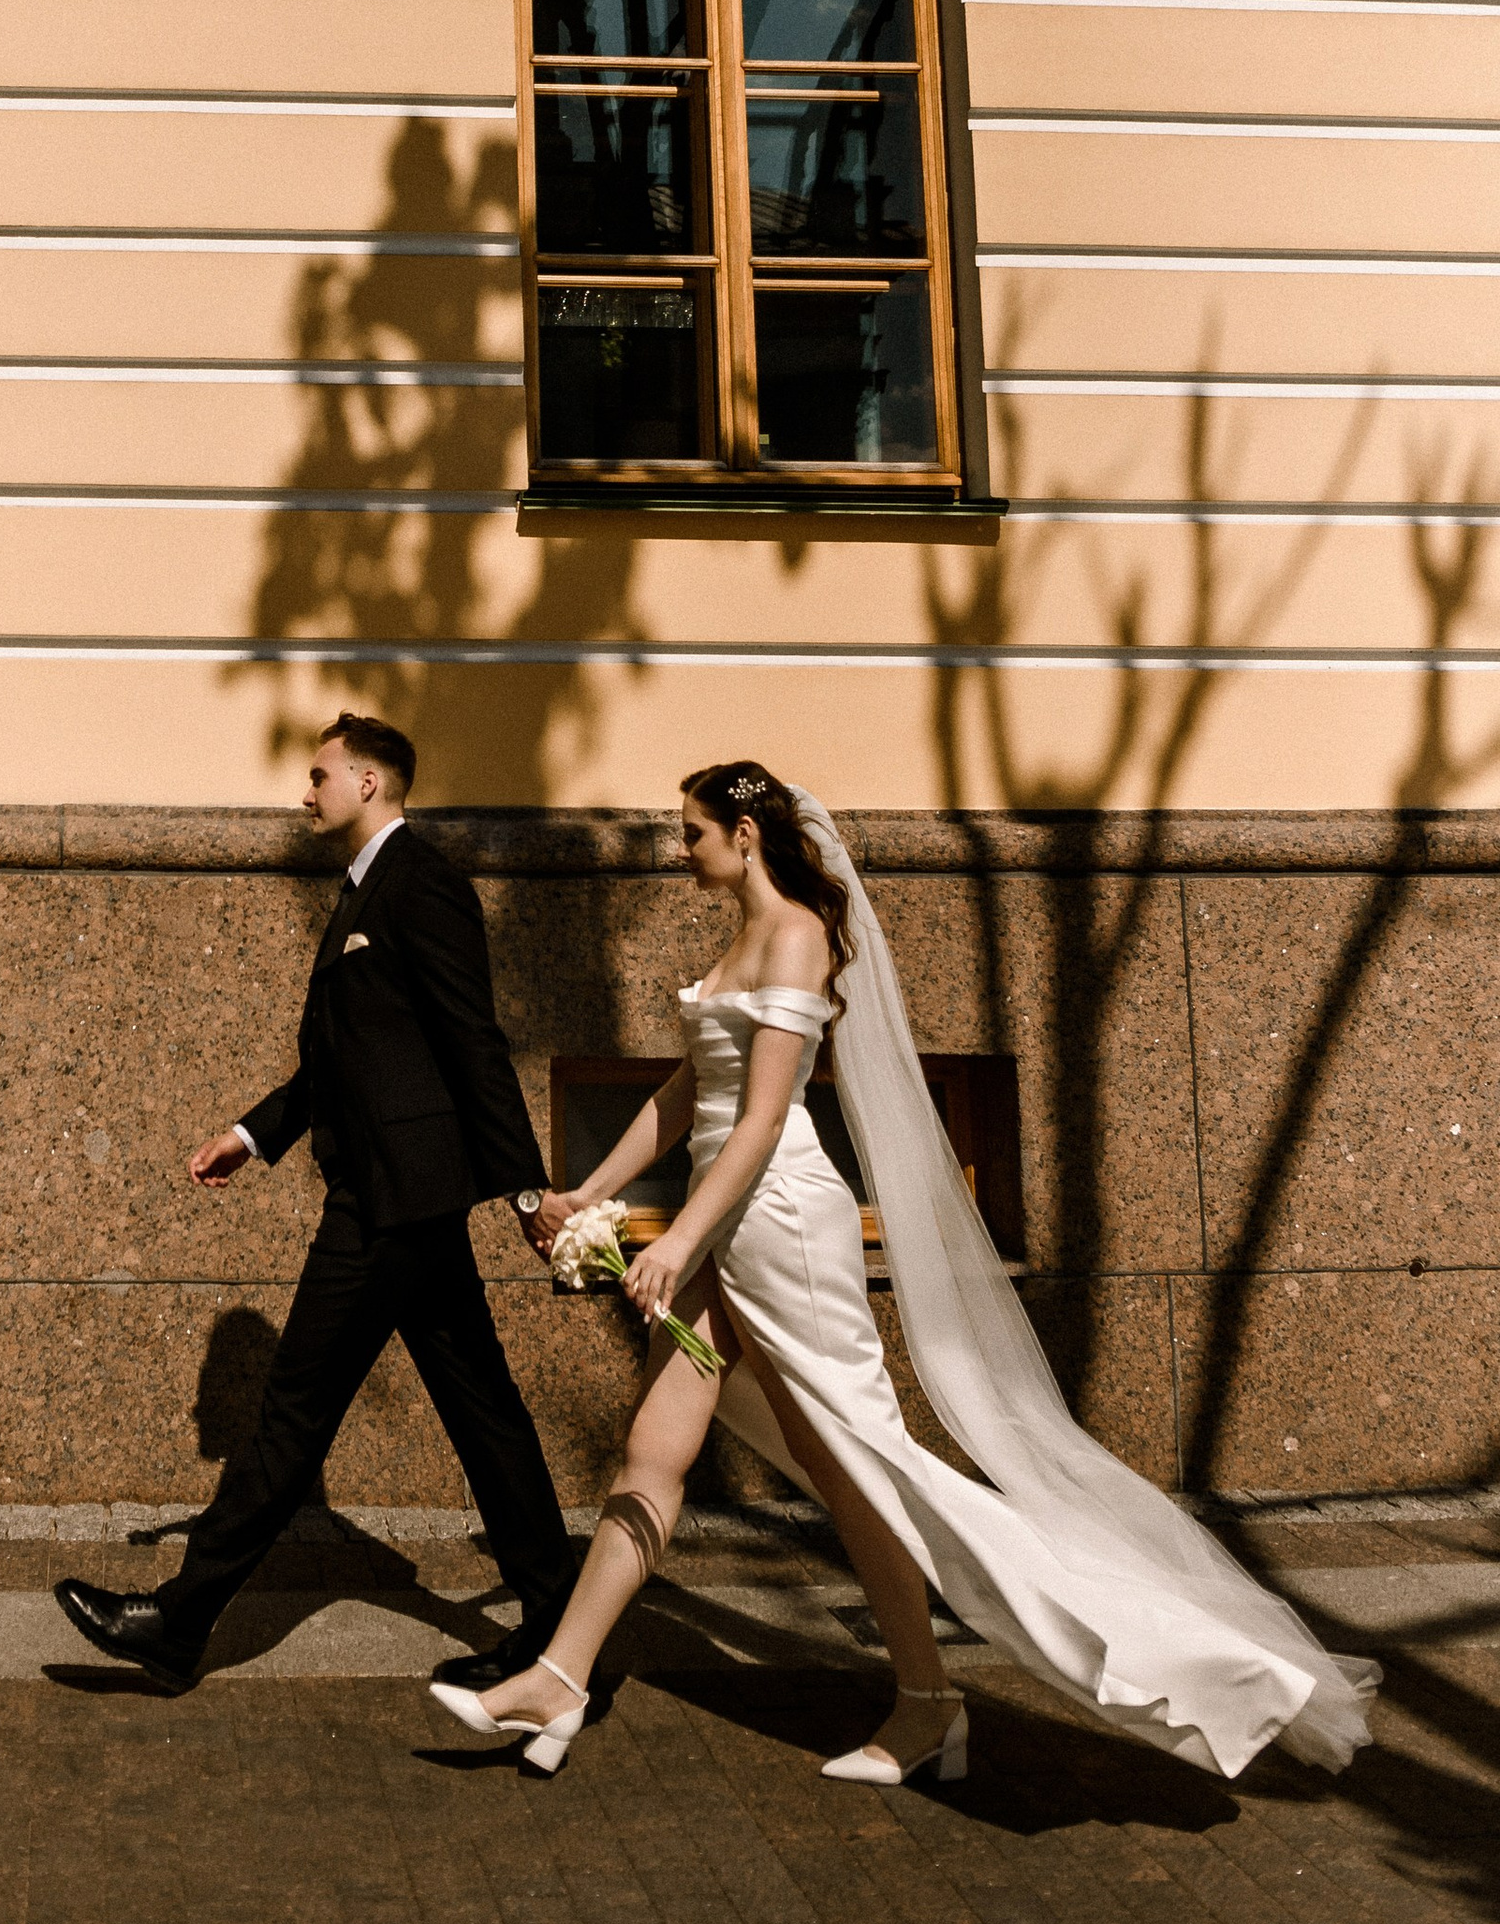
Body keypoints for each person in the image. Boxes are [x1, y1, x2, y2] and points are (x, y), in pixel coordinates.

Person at [434, 761, 1378, 1786]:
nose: (679, 847)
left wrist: (670, 1240)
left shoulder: (795, 934)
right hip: (723, 1222)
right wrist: (591, 1190)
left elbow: (758, 1121)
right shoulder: (736, 940)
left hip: (779, 1221)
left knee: (867, 1470)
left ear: (745, 836)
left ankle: (966, 1696)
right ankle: (563, 1675)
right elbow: (687, 1091)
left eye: (692, 831)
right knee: (652, 1455)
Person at [55, 713, 573, 1693]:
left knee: (296, 1409)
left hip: (390, 1201)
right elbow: (343, 1061)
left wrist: (525, 1189)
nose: (305, 792)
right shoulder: (364, 891)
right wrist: (250, 1134)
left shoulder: (423, 885)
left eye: (319, 773)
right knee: (483, 1409)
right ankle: (559, 1625)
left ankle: (176, 1622)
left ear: (371, 781)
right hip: (392, 1194)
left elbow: (473, 1044)